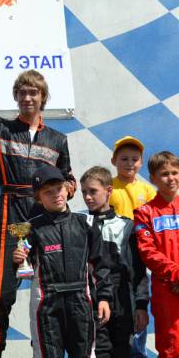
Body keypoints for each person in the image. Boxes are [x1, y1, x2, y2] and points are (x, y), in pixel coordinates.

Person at [0, 47, 75, 357]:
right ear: (16, 97)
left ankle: (48, 349)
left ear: (43, 97)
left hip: (47, 218)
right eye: (22, 93)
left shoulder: (58, 139)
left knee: (53, 290)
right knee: (1, 293)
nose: (27, 98)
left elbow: (67, 177)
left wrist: (68, 189)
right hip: (12, 210)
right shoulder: (0, 128)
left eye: (33, 93)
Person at [12, 165, 112, 358]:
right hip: (46, 301)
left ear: (68, 189)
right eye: (48, 192)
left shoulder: (86, 223)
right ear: (38, 198)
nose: (55, 195)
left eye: (58, 188)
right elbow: (25, 269)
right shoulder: (29, 229)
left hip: (81, 300)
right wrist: (18, 260)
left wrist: (105, 298)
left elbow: (101, 265)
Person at [80, 166, 149, 358]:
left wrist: (141, 306)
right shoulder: (79, 225)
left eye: (93, 191)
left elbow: (138, 271)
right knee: (98, 352)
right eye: (84, 192)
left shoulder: (127, 225)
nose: (87, 197)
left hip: (123, 297)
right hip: (92, 296)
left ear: (109, 190)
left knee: (123, 351)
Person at [109, 135, 155, 357]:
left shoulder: (148, 191)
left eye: (134, 159)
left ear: (141, 162)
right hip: (115, 258)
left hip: (140, 256)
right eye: (124, 158)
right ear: (114, 161)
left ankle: (138, 351)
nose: (129, 163)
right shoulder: (108, 188)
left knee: (139, 304)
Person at [134, 151, 179, 358]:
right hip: (167, 288)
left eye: (174, 172)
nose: (171, 178)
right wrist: (176, 274)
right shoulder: (145, 212)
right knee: (171, 347)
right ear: (152, 178)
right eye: (164, 174)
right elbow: (147, 252)